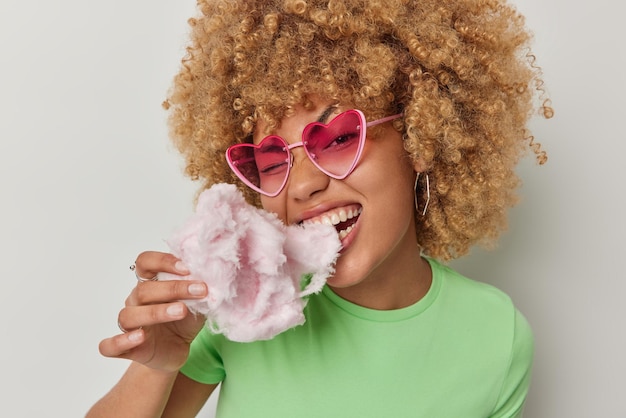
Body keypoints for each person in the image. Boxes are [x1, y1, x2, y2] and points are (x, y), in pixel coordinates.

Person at [87, 0, 552, 416]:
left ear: (420, 138)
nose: (303, 185)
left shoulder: (498, 337)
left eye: (340, 138)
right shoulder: (244, 305)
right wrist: (156, 368)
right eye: (272, 159)